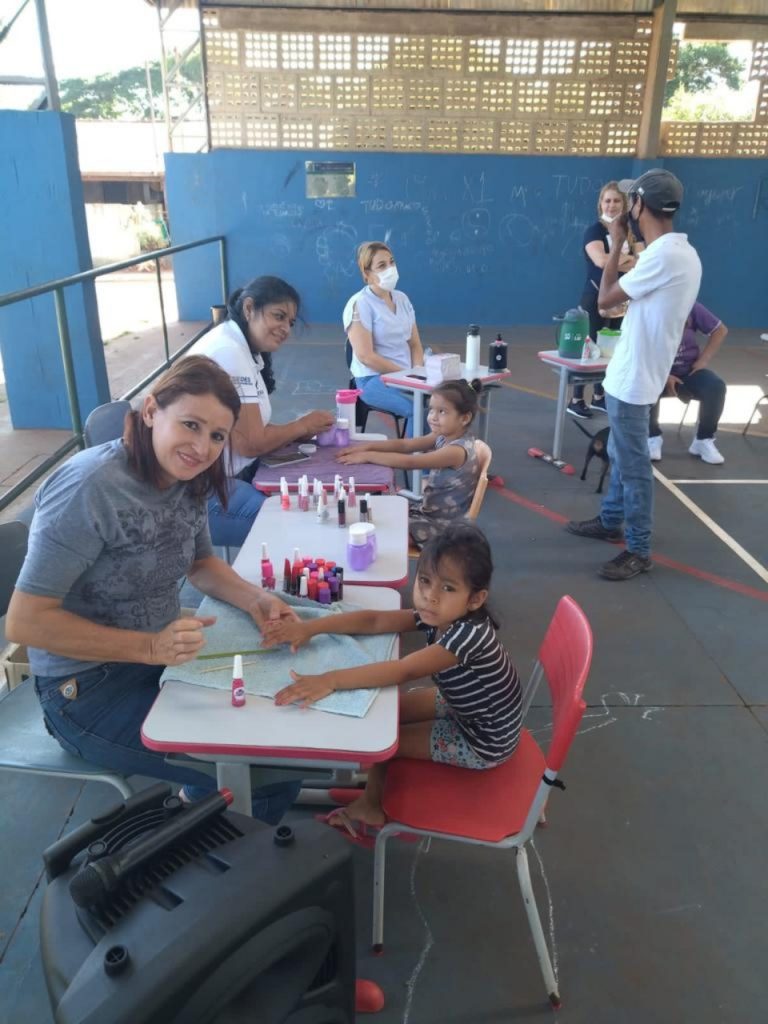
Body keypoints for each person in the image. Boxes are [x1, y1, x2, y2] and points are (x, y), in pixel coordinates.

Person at [6, 356, 302, 823]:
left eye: (217, 436)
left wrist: (259, 599)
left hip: (163, 658)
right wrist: (148, 646)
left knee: (282, 729)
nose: (202, 447)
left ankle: (197, 800)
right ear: (150, 411)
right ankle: (199, 868)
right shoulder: (91, 486)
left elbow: (202, 563)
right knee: (269, 774)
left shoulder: (188, 478)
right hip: (84, 690)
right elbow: (26, 621)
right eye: (190, 424)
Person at [264, 524, 522, 838]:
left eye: (448, 588)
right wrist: (311, 627)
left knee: (387, 742)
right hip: (472, 708)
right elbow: (376, 620)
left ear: (475, 599)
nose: (430, 596)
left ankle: (371, 805)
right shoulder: (438, 614)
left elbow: (403, 671)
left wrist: (329, 680)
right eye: (425, 581)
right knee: (385, 716)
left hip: (484, 739)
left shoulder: (467, 635)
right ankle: (364, 775)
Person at [566, 168, 702, 581]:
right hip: (640, 371)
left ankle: (638, 548)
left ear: (640, 205)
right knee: (624, 457)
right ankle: (611, 520)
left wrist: (619, 239)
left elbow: (606, 299)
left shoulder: (662, 255)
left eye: (630, 201)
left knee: (634, 462)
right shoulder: (682, 253)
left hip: (636, 376)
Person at [192, 276, 335, 547]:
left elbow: (249, 432)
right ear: (249, 309)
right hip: (199, 490)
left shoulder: (243, 348)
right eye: (278, 316)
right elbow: (251, 443)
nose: (285, 328)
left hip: (226, 474)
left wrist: (293, 433)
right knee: (301, 529)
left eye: (290, 322)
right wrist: (302, 425)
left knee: (313, 491)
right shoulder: (229, 351)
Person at [336, 379, 481, 547]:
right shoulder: (444, 436)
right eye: (431, 409)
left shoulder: (456, 451)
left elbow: (410, 461)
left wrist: (367, 456)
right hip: (427, 512)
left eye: (442, 412)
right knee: (378, 514)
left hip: (443, 529)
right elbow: (406, 445)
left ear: (464, 418)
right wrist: (366, 446)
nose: (433, 417)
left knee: (377, 530)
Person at [569, 181, 641, 420]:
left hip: (622, 299)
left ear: (625, 204)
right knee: (590, 349)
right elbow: (600, 261)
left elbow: (643, 259)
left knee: (613, 351)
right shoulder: (594, 231)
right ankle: (576, 398)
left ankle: (600, 396)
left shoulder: (631, 232)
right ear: (600, 203)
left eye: (616, 201)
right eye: (607, 200)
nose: (611, 205)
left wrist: (623, 258)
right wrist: (627, 258)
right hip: (595, 297)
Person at [343, 241, 424, 436]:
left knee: (441, 404)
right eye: (381, 266)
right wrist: (406, 375)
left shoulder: (402, 299)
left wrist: (419, 375)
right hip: (372, 380)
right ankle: (416, 464)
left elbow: (415, 345)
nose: (390, 269)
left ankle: (436, 459)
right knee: (419, 411)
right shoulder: (360, 303)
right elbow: (366, 356)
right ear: (366, 273)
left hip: (407, 376)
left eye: (392, 262)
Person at [648, 303, 728, 465]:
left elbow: (720, 330)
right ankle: (652, 437)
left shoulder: (690, 305)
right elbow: (638, 349)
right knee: (647, 386)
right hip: (655, 371)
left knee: (716, 387)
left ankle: (703, 440)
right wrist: (665, 375)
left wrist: (703, 360)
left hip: (688, 371)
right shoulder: (649, 307)